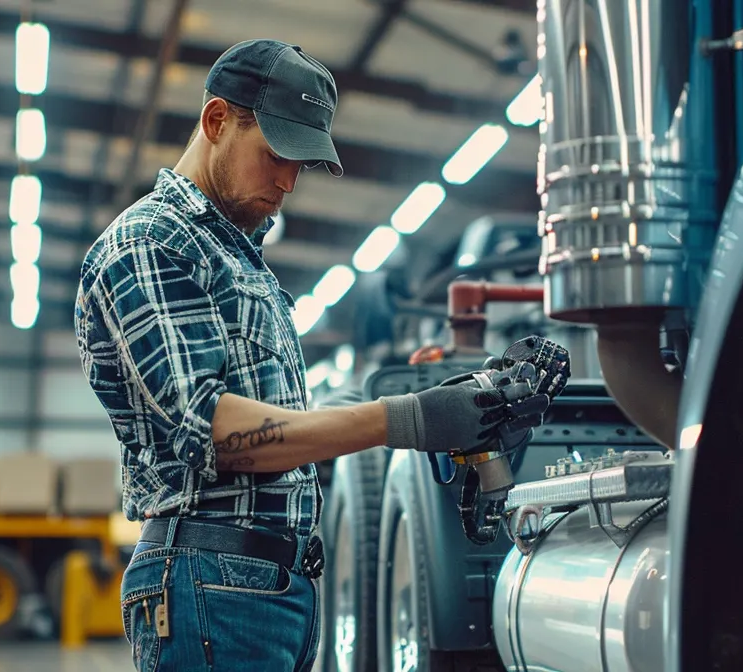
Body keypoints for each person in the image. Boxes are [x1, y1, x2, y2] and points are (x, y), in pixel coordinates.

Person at [73, 39, 552, 672]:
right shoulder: (150, 243)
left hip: (269, 587)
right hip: (211, 583)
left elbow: (277, 428)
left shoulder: (239, 258)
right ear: (217, 122)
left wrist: (437, 391)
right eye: (276, 155)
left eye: (301, 165)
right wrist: (406, 417)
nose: (289, 181)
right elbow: (216, 433)